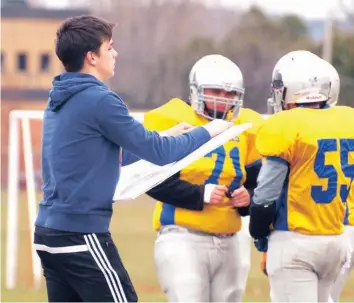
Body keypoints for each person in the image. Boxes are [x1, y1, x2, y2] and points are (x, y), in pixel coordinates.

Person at [33, 15, 233, 303]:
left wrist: (168, 134)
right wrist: (209, 131)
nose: (116, 54)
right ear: (91, 56)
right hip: (80, 234)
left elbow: (118, 153)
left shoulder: (61, 97)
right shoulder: (100, 99)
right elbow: (160, 153)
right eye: (110, 47)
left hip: (49, 233)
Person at [143, 54, 264, 302]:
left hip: (230, 239)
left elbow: (258, 182)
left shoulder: (246, 125)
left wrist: (248, 198)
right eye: (216, 91)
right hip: (183, 236)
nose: (223, 98)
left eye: (230, 94)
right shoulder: (175, 119)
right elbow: (153, 180)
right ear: (197, 90)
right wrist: (201, 194)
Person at [249, 50, 354, 302]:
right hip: (335, 240)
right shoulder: (347, 119)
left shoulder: (287, 125)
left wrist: (259, 232)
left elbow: (265, 195)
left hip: (295, 239)